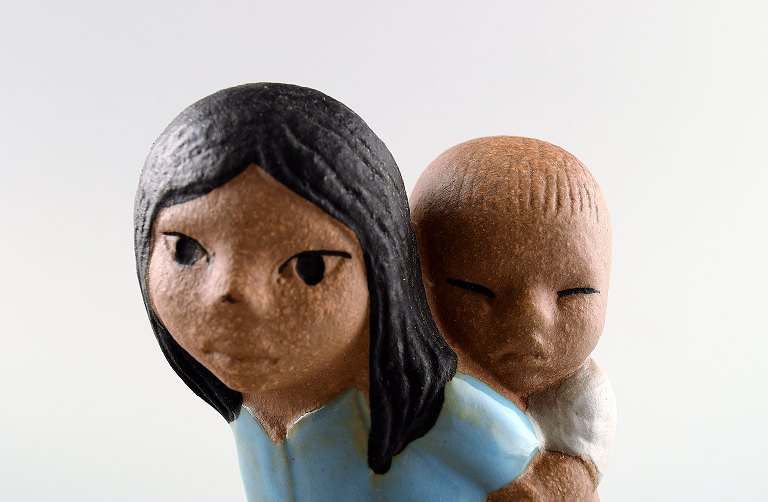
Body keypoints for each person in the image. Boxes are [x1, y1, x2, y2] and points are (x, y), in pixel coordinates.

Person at [135, 85, 538, 500]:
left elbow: (542, 484)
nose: (228, 295)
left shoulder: (445, 414)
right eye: (185, 250)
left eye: (309, 267)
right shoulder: (247, 405)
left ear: (383, 267)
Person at [411, 136, 617, 501]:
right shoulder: (416, 376)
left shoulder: (582, 393)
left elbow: (577, 473)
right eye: (477, 290)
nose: (529, 325)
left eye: (574, 293)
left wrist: (540, 486)